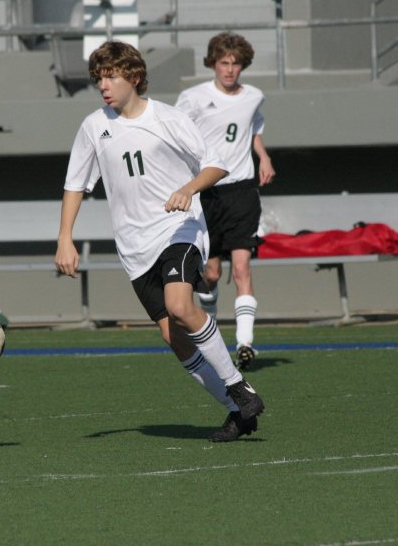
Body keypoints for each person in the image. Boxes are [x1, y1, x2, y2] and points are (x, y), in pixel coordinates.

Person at [55, 41, 265, 442]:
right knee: (174, 337)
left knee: (179, 305)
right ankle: (239, 412)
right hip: (134, 249)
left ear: (134, 77)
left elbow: (216, 163)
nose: (104, 84)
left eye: (111, 76)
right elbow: (74, 185)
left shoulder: (168, 118)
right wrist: (65, 238)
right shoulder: (93, 127)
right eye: (99, 77)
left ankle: (239, 385)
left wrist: (189, 188)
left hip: (179, 230)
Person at [174, 32, 275, 371]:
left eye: (235, 64)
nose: (229, 70)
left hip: (242, 191)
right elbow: (175, 134)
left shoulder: (254, 96)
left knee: (243, 268)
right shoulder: (192, 98)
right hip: (208, 193)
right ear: (213, 64)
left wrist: (263, 157)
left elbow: (253, 128)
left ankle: (245, 343)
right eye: (223, 63)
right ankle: (211, 339)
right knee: (212, 274)